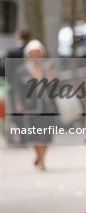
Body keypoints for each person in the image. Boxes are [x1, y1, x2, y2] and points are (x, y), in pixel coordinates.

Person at [14, 40, 58, 169]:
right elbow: (17, 89)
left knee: (46, 134)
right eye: (32, 53)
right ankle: (38, 156)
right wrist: (18, 103)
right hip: (30, 107)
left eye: (37, 53)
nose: (35, 55)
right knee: (34, 134)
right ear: (28, 54)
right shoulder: (22, 71)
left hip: (47, 106)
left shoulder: (48, 67)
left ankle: (42, 159)